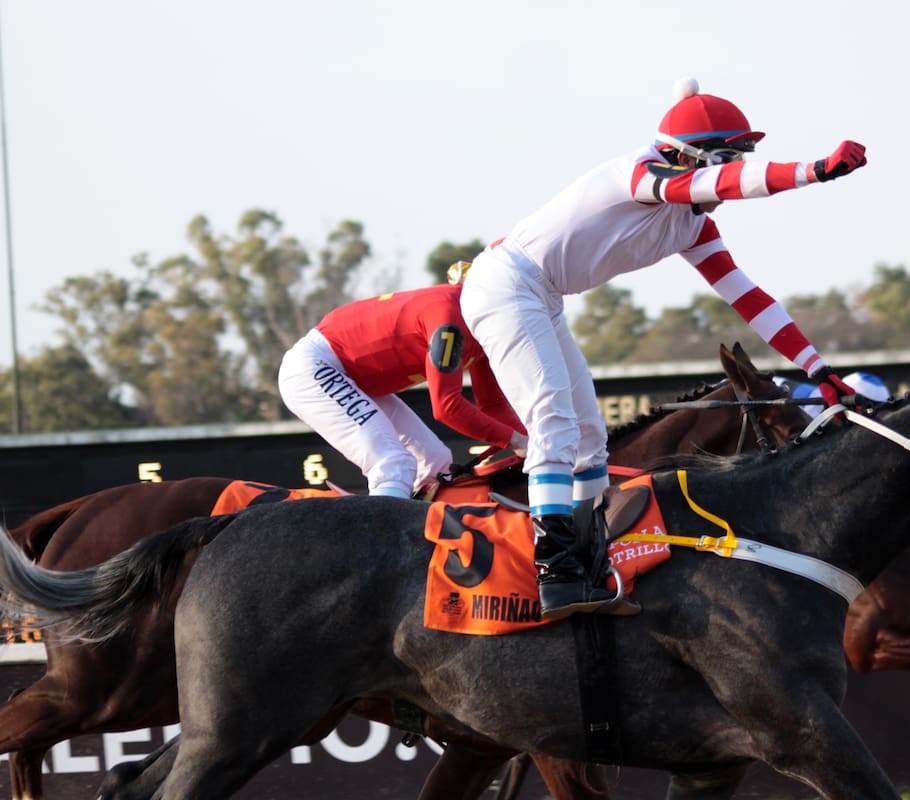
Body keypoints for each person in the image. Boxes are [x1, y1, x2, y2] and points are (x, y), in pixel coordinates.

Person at [460, 77, 868, 620]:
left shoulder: (692, 224)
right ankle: (555, 573)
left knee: (590, 439)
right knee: (554, 424)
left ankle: (586, 564)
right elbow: (737, 182)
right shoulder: (640, 175)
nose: (732, 170)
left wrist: (818, 366)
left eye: (742, 155)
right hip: (507, 285)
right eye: (729, 156)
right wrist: (813, 171)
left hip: (543, 296)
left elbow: (749, 297)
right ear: (687, 155)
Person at [279, 272, 527, 498]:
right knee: (392, 464)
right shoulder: (449, 323)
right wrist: (518, 441)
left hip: (348, 375)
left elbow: (492, 404)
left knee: (434, 463)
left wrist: (537, 442)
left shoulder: (483, 327)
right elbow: (446, 406)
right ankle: (377, 544)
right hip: (314, 368)